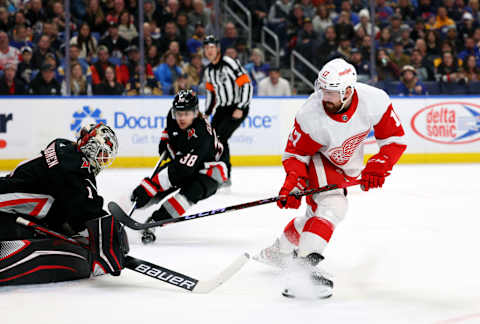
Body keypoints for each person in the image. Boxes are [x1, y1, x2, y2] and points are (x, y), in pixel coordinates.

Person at [254, 58, 407, 299]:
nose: (325, 97)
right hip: (319, 159)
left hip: (345, 166)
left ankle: (279, 251)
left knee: (314, 218)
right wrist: (293, 182)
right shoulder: (311, 114)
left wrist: (380, 164)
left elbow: (394, 139)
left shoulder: (373, 100)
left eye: (332, 93)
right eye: (323, 90)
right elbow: (296, 154)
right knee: (333, 204)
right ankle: (303, 267)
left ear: (348, 91)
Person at [0, 123, 128, 285]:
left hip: (10, 195)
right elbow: (87, 209)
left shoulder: (64, 147)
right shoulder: (74, 168)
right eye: (102, 155)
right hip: (7, 200)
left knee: (59, 209)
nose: (102, 161)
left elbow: (71, 198)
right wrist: (105, 240)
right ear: (91, 148)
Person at [130, 90, 227, 244]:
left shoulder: (202, 134)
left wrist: (152, 185)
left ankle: (154, 222)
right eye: (179, 113)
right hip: (186, 160)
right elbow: (169, 132)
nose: (181, 117)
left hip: (209, 170)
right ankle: (129, 205)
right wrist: (165, 142)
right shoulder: (173, 115)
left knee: (187, 194)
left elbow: (182, 171)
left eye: (186, 113)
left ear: (195, 113)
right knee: (149, 192)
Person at [203, 35, 253, 186]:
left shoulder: (228, 63)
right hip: (222, 108)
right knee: (211, 139)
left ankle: (225, 176)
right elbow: (210, 94)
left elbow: (246, 84)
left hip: (237, 106)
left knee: (221, 138)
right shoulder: (209, 71)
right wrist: (206, 112)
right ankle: (216, 171)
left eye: (212, 47)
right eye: (206, 48)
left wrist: (241, 106)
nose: (209, 51)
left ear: (218, 49)